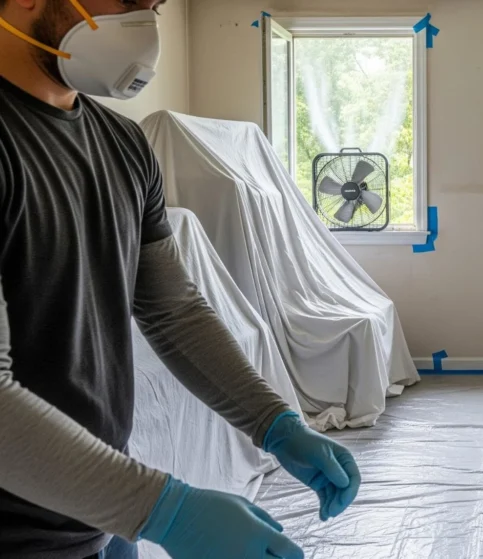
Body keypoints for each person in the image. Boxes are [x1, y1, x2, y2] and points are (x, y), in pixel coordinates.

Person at [0, 1, 361, 558]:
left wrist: (275, 423)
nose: (147, 27)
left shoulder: (121, 145)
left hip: (97, 516)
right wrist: (164, 511)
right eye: (129, 1)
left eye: (156, 6)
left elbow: (174, 311)